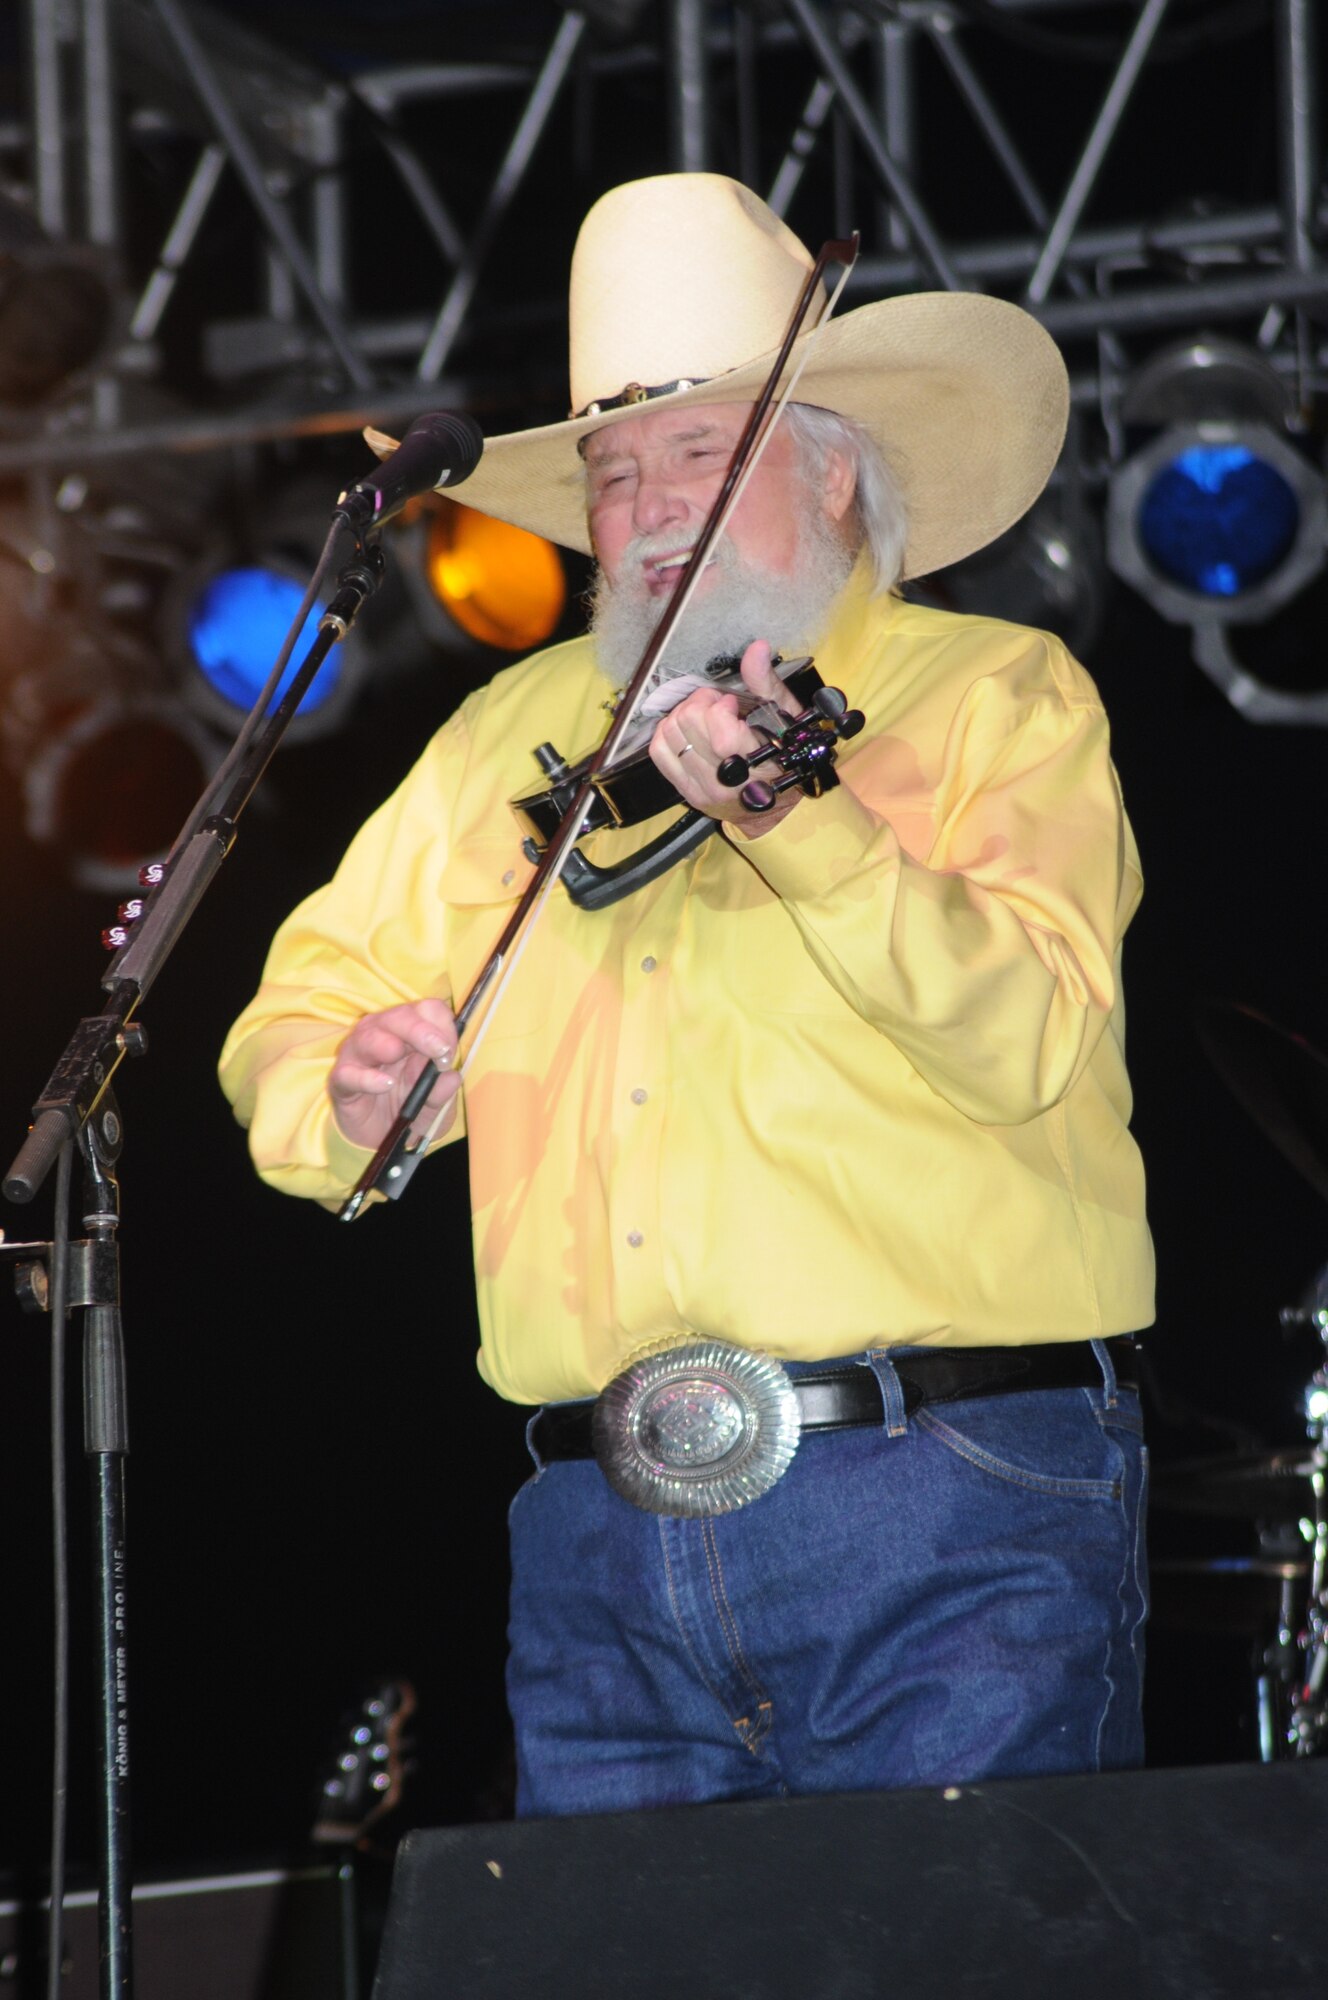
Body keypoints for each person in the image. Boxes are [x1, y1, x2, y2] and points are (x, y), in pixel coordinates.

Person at [220, 174, 1154, 1818]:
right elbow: (301, 1012)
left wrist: (797, 811)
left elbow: (1024, 1036)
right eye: (614, 469)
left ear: (836, 473)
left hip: (942, 1496)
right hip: (597, 1523)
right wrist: (348, 1091)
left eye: (700, 456)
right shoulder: (504, 737)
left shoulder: (999, 698)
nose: (647, 506)